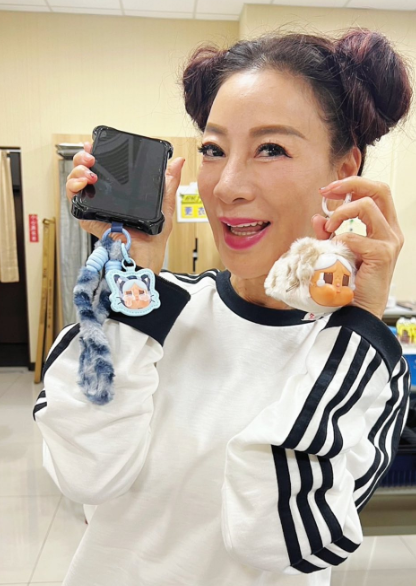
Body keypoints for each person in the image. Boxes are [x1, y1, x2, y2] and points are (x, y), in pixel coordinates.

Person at [33, 29, 411, 586]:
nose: (227, 186)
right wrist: (135, 270)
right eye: (213, 150)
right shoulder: (156, 310)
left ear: (343, 170)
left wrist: (360, 323)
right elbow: (85, 473)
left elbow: (276, 536)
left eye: (271, 148)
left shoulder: (363, 366)